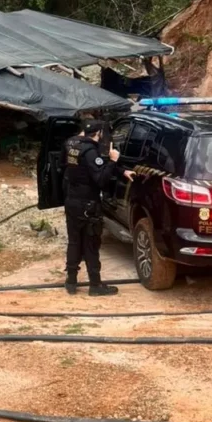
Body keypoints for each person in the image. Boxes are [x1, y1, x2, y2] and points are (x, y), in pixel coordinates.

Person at [63, 118, 134, 297]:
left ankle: (71, 282)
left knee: (74, 241)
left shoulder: (72, 144)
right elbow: (101, 179)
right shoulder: (90, 151)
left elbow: (90, 165)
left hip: (72, 201)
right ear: (99, 134)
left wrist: (121, 171)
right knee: (91, 243)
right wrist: (113, 161)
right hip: (88, 204)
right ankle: (95, 285)